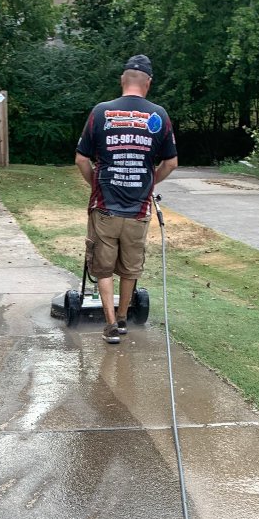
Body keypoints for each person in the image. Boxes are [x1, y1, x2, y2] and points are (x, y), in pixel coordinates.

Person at [75, 54, 178, 344]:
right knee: (131, 266)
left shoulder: (101, 112)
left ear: (123, 80)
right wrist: (149, 183)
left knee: (103, 265)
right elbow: (170, 163)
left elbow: (82, 159)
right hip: (138, 210)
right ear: (149, 83)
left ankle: (110, 325)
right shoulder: (158, 116)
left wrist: (95, 182)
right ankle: (122, 318)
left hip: (105, 208)